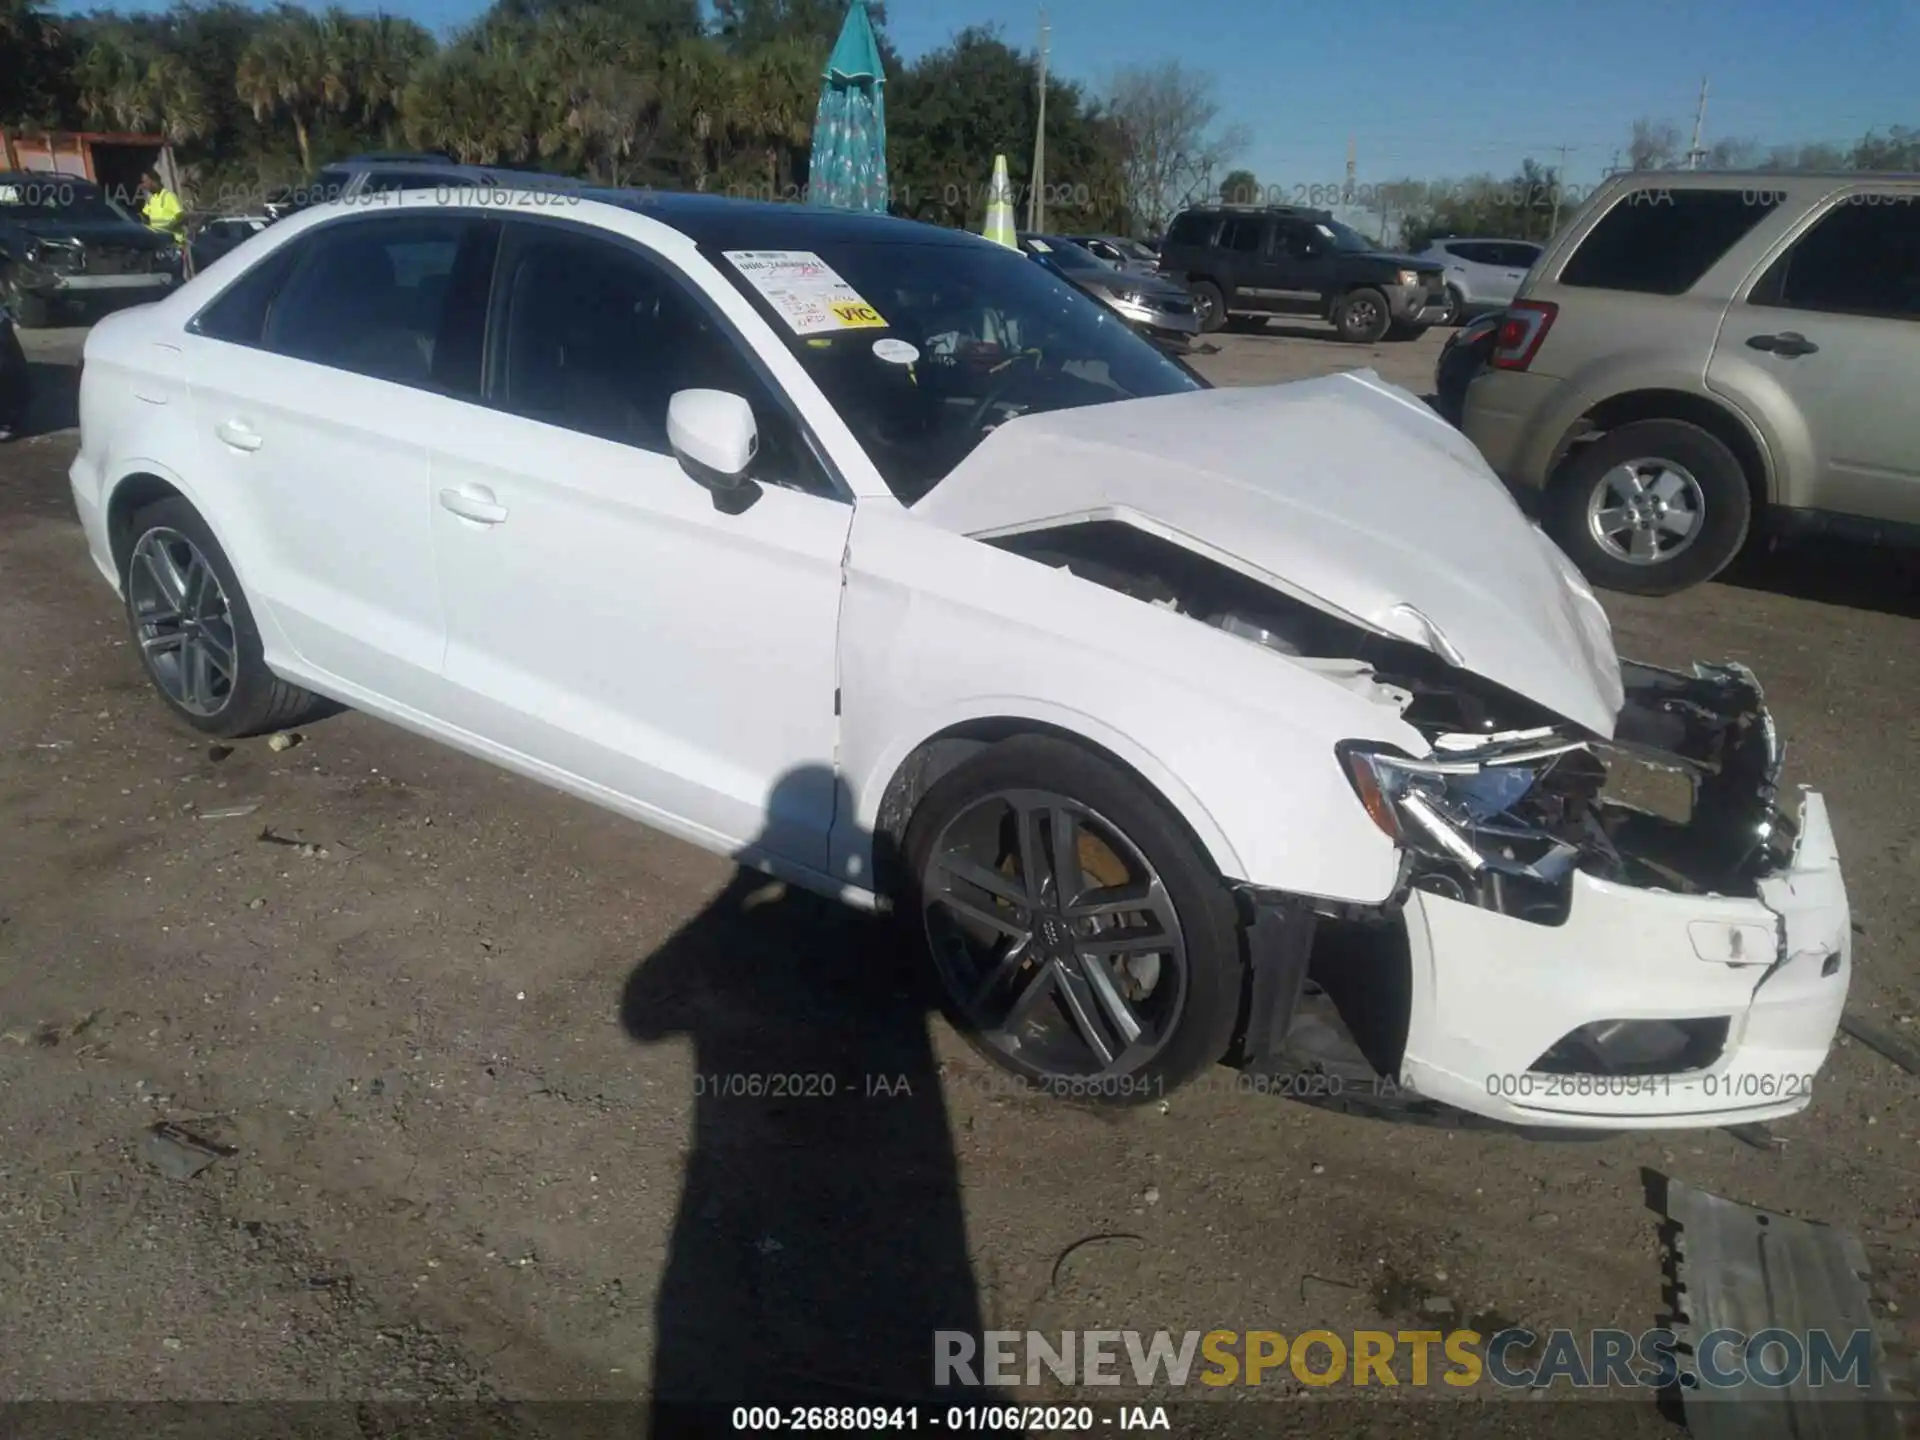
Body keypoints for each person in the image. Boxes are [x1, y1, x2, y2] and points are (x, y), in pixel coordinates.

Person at [140, 167, 185, 240]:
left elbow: (180, 216)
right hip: (159, 240)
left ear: (153, 181)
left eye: (145, 182)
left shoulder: (168, 196)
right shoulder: (152, 199)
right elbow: (143, 216)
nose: (144, 185)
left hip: (172, 241)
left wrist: (167, 227)